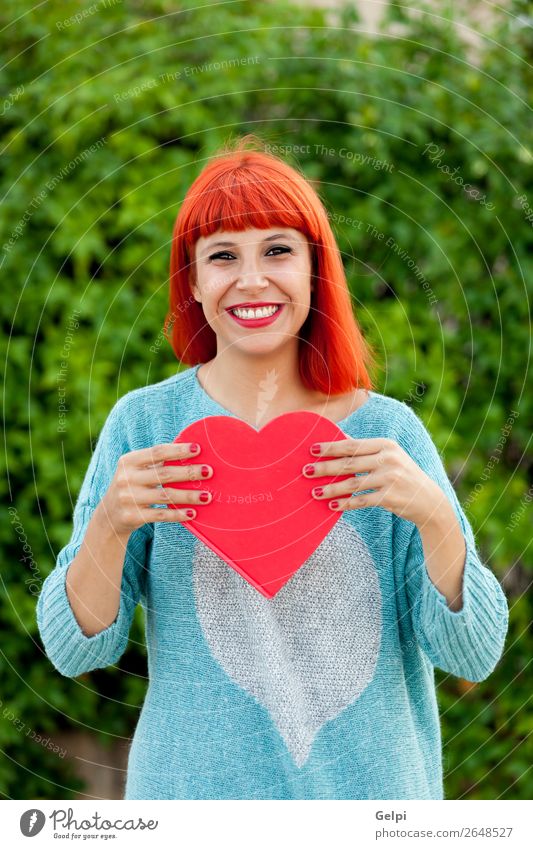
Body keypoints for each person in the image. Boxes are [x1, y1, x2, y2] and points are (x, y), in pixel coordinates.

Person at [36, 134, 509, 800]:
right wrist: (109, 526)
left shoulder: (387, 434)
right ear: (192, 281)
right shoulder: (142, 429)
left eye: (278, 251)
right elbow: (76, 650)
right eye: (222, 255)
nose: (251, 279)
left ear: (315, 270)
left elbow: (472, 655)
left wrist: (434, 516)